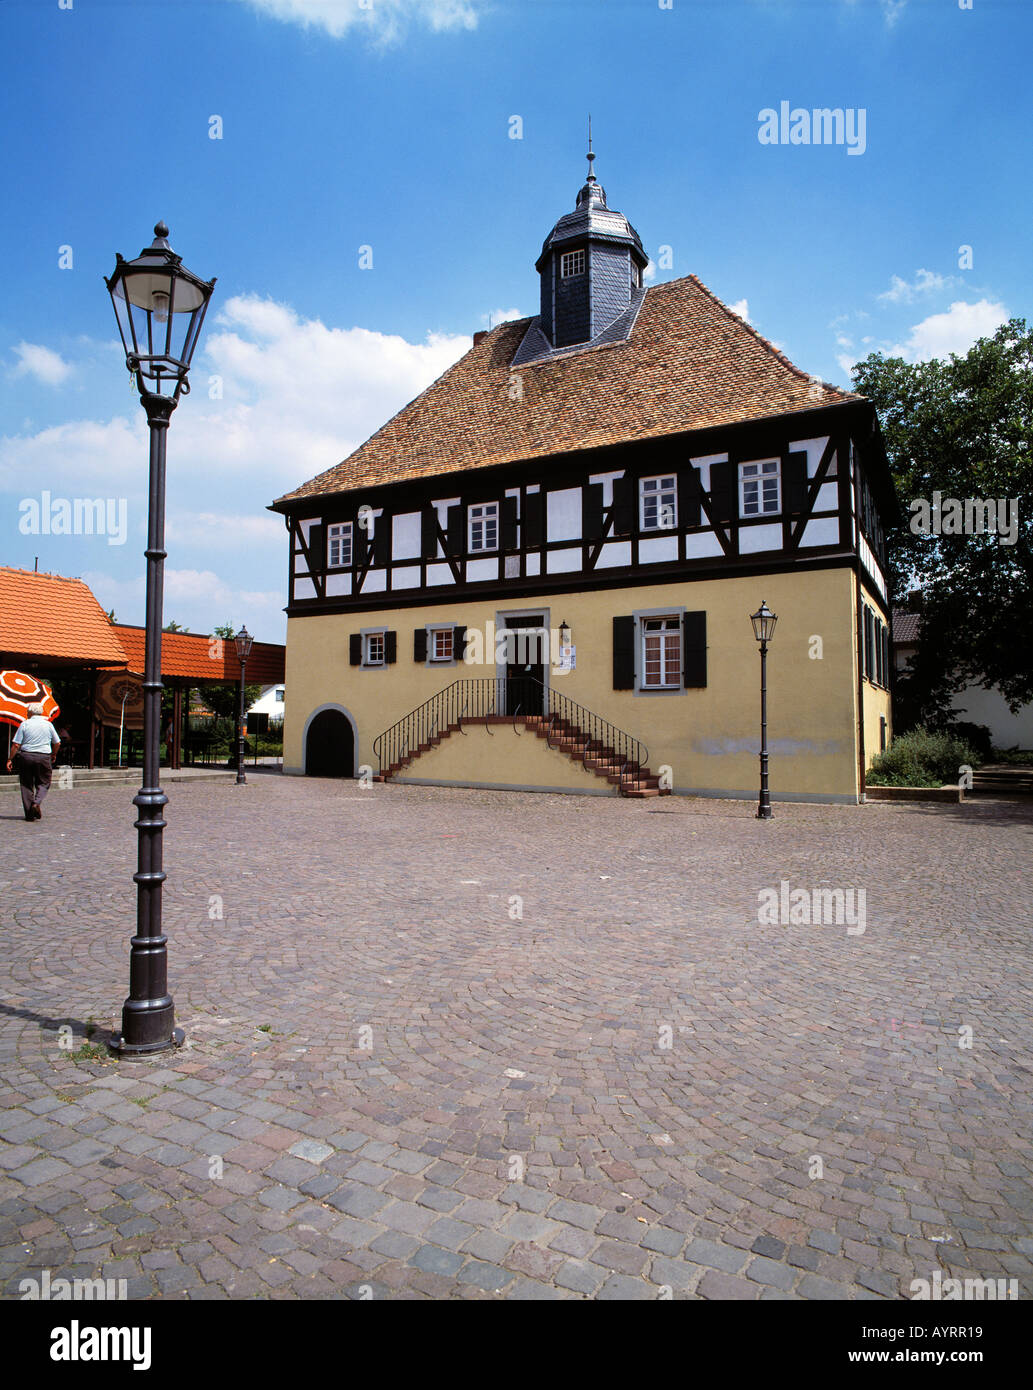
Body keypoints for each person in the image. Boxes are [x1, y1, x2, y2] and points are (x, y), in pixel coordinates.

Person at [6, 703, 60, 821]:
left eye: (27, 712)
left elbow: (16, 744)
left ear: (30, 713)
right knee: (44, 782)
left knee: (26, 784)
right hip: (44, 757)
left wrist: (10, 759)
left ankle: (29, 814)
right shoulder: (48, 725)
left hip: (26, 756)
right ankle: (36, 803)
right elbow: (57, 742)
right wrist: (54, 754)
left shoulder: (24, 724)